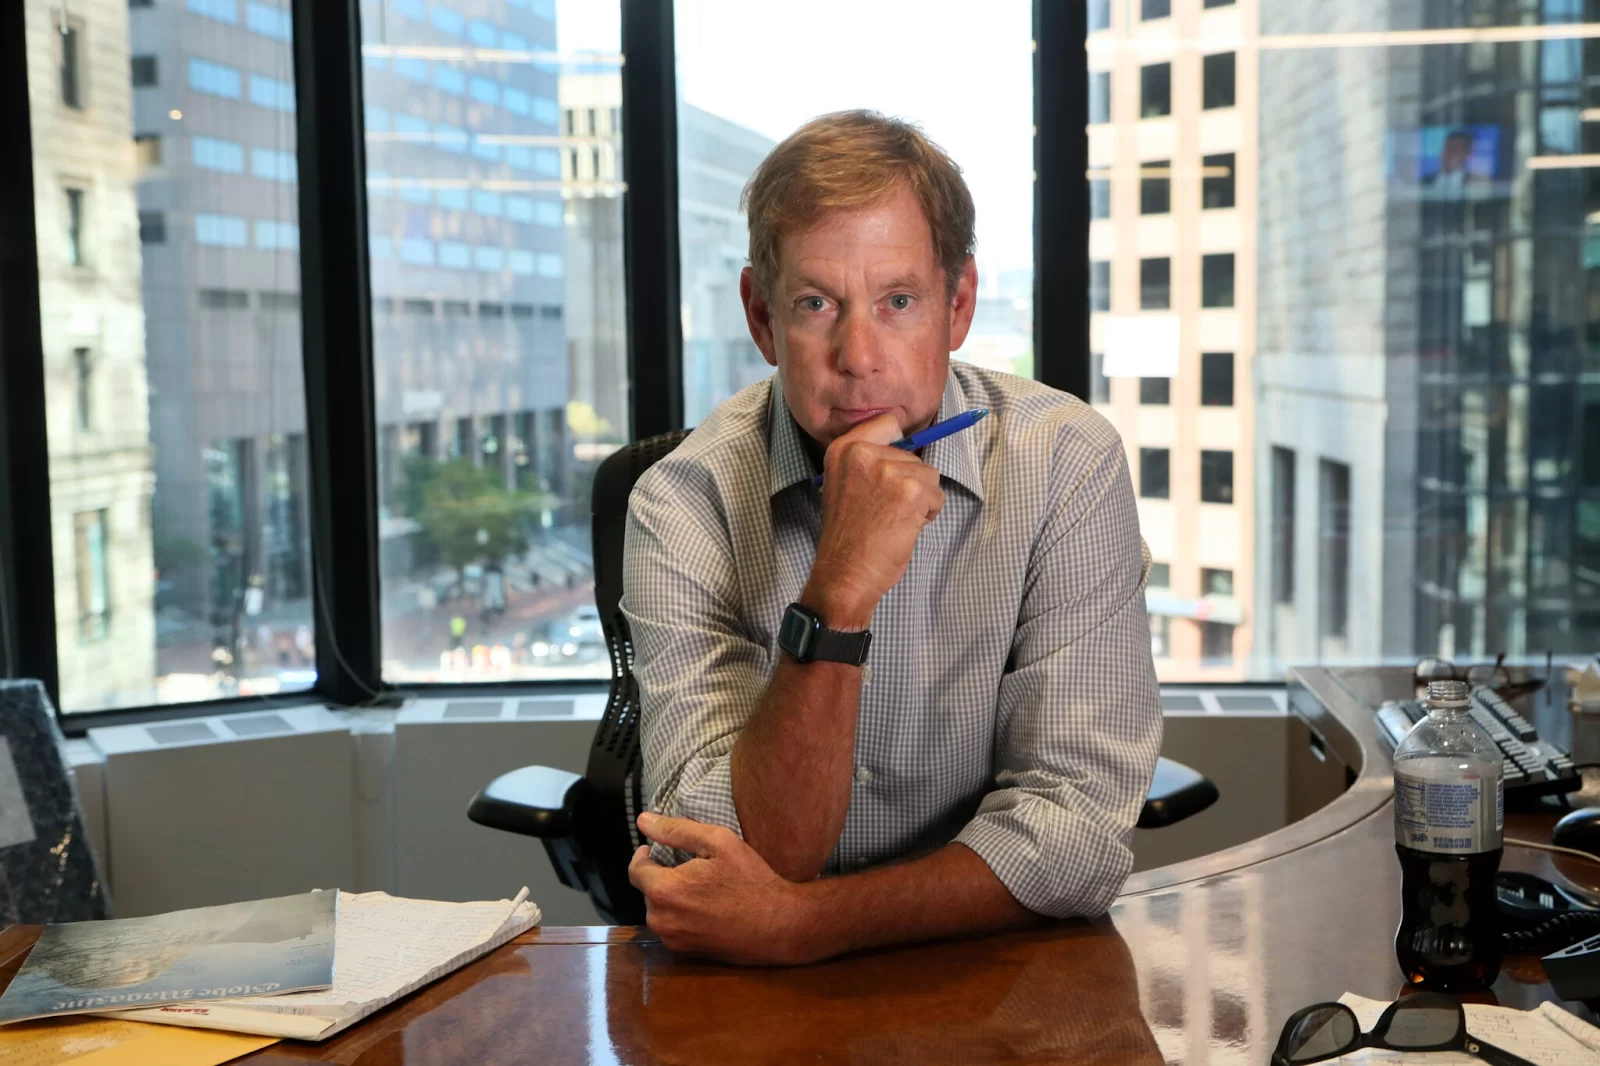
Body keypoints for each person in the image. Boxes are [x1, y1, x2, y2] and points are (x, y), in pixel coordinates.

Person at [622, 110, 1161, 966]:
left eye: (898, 301)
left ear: (959, 304)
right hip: (747, 1001)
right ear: (762, 318)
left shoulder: (1066, 461)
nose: (859, 356)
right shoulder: (680, 504)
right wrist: (839, 588)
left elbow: (1074, 838)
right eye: (816, 304)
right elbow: (729, 854)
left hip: (988, 972)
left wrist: (805, 925)